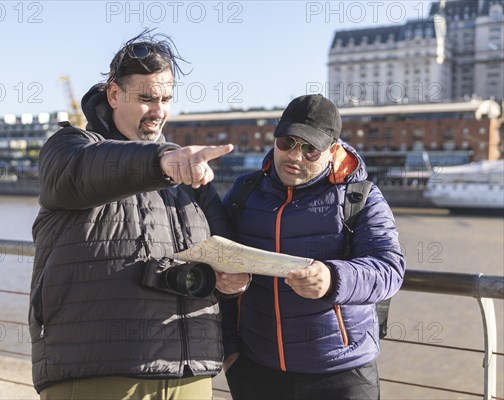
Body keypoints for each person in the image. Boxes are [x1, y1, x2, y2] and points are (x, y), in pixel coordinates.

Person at [29, 29, 249, 399]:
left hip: (190, 371)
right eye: (146, 98)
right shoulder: (68, 149)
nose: (159, 111)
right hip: (99, 370)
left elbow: (226, 249)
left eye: (165, 98)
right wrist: (160, 160)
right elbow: (86, 171)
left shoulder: (186, 169)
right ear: (113, 94)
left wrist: (233, 279)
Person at [220, 94, 405, 399]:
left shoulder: (360, 198)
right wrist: (231, 355)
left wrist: (333, 278)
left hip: (341, 375)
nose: (295, 156)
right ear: (274, 138)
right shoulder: (244, 192)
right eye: (287, 143)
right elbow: (214, 257)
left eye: (310, 149)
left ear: (333, 151)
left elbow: (389, 270)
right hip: (256, 370)